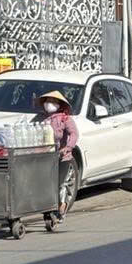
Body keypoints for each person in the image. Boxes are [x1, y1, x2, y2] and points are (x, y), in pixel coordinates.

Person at [34, 88, 81, 229]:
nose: (49, 104)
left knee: (58, 184)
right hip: (44, 157)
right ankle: (48, 212)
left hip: (62, 157)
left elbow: (74, 134)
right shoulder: (40, 119)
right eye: (47, 101)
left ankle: (62, 206)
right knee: (44, 185)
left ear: (59, 104)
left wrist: (68, 147)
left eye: (53, 101)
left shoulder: (65, 119)